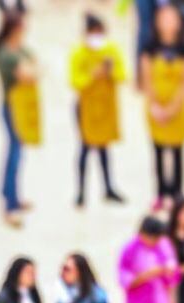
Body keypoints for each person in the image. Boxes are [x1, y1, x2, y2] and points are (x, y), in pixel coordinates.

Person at [69, 15, 126, 207]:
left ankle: (108, 188)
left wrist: (109, 72)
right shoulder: (79, 53)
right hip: (86, 108)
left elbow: (122, 75)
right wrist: (93, 75)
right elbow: (75, 81)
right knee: (85, 148)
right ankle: (81, 192)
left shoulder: (110, 51)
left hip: (106, 107)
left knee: (104, 149)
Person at [141, 5, 184, 206]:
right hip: (155, 106)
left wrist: (173, 108)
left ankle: (177, 192)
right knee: (158, 150)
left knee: (178, 152)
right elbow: (146, 77)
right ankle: (161, 193)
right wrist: (155, 105)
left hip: (178, 107)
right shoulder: (150, 46)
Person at [0, 14, 39, 227]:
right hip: (12, 108)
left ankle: (11, 194)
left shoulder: (17, 50)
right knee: (14, 153)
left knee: (16, 152)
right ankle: (9, 203)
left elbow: (34, 63)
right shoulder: (6, 55)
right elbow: (27, 74)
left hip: (18, 106)